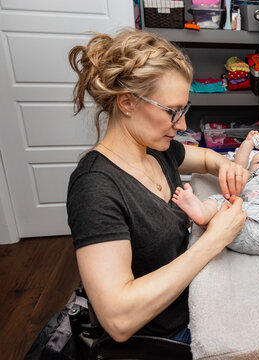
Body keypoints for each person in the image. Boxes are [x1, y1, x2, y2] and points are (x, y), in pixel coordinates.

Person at [66, 29, 249, 344]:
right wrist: (215, 239)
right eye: (172, 111)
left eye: (184, 110)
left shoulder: (156, 151)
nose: (181, 126)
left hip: (200, 301)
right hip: (170, 336)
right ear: (127, 103)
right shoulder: (94, 189)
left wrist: (227, 165)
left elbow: (205, 158)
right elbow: (119, 318)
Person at [172, 130, 259, 271]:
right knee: (218, 200)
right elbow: (238, 165)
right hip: (237, 223)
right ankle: (203, 213)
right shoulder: (246, 177)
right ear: (250, 167)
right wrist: (249, 143)